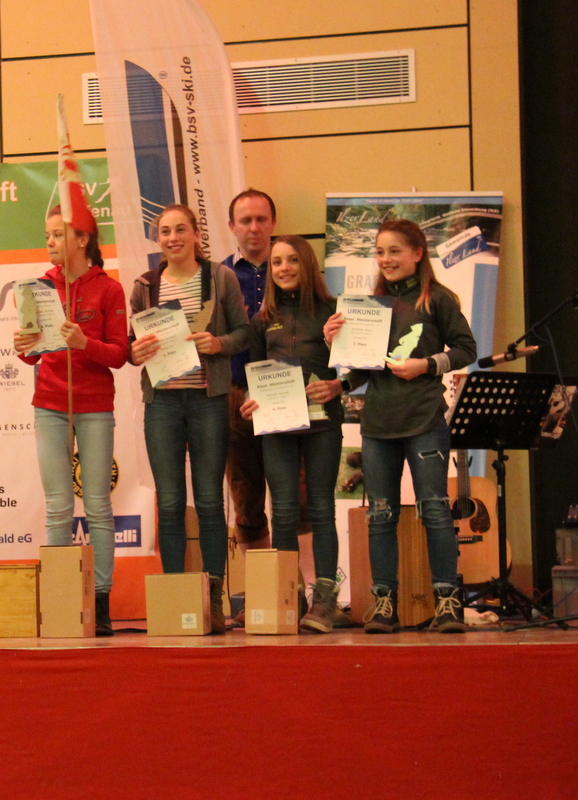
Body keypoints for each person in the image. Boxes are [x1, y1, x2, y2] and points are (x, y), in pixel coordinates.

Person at [323, 218, 477, 633]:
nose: (386, 259)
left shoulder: (438, 299)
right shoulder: (370, 305)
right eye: (380, 252)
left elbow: (467, 349)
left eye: (394, 251)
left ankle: (448, 604)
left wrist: (425, 365)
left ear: (417, 253)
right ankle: (384, 605)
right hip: (378, 425)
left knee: (435, 510)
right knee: (380, 515)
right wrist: (337, 362)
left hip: (424, 419)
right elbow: (365, 366)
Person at [129, 204, 249, 634]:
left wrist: (218, 344)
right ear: (158, 239)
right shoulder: (145, 285)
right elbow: (131, 345)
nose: (173, 238)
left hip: (207, 400)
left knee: (211, 501)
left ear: (196, 234)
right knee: (170, 503)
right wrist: (134, 351)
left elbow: (244, 333)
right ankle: (176, 600)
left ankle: (212, 599)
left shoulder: (220, 278)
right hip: (161, 404)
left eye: (181, 229)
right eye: (165, 231)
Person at [14, 205, 128, 636]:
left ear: (83, 240)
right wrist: (23, 344)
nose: (50, 242)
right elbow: (31, 354)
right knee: (58, 507)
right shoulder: (40, 286)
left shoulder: (109, 289)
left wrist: (84, 343)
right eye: (48, 235)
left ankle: (100, 601)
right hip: (49, 404)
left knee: (97, 505)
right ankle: (61, 599)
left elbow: (119, 354)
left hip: (95, 405)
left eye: (58, 235)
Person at [241, 235, 344, 634]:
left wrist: (338, 385)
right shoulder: (261, 321)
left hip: (324, 423)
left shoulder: (334, 312)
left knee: (321, 509)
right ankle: (289, 596)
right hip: (277, 424)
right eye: (277, 262)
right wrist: (250, 400)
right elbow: (253, 373)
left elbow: (357, 366)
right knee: (282, 511)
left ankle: (325, 601)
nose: (283, 268)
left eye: (292, 260)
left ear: (307, 264)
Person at [223, 188, 276, 553]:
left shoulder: (293, 268)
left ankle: (303, 584)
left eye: (261, 219)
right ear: (232, 226)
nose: (254, 227)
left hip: (288, 393)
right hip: (236, 397)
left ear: (273, 223)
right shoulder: (218, 276)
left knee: (298, 499)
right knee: (247, 500)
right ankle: (262, 586)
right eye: (245, 220)